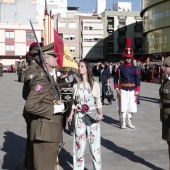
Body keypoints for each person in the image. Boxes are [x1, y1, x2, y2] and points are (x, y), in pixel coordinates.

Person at [24, 42, 65, 170]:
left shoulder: (49, 78)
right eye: (54, 56)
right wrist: (54, 109)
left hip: (49, 134)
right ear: (46, 59)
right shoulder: (42, 79)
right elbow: (30, 105)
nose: (58, 58)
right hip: (44, 134)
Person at [68, 60, 103, 170]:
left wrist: (101, 114)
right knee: (79, 145)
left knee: (95, 146)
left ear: (87, 68)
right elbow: (74, 102)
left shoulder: (94, 84)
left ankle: (97, 168)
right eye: (79, 66)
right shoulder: (76, 85)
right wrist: (71, 114)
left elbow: (98, 102)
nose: (80, 68)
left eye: (82, 66)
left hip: (92, 117)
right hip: (79, 117)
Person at [22, 42, 43, 169]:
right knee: (32, 140)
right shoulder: (33, 70)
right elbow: (26, 94)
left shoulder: (36, 69)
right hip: (33, 110)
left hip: (34, 110)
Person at [114, 38, 140, 129]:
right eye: (127, 58)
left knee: (131, 107)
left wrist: (137, 90)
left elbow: (137, 80)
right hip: (123, 90)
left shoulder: (135, 68)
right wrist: (117, 89)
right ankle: (123, 122)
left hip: (132, 90)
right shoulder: (120, 68)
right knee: (123, 107)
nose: (128, 59)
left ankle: (129, 122)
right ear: (124, 58)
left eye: (130, 58)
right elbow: (115, 79)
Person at [57, 70, 77, 135]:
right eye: (64, 69)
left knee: (70, 114)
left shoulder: (72, 78)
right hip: (62, 98)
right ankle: (62, 127)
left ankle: (71, 129)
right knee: (62, 114)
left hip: (70, 98)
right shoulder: (59, 78)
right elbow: (57, 87)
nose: (66, 70)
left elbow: (75, 87)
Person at [159, 56, 170, 170]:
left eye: (166, 66)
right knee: (168, 142)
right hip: (166, 115)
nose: (164, 68)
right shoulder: (166, 80)